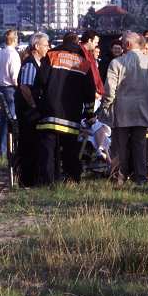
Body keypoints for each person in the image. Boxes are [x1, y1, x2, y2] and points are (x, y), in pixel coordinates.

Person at [34, 33, 98, 185]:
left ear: (63, 42)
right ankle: (73, 179)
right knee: (71, 150)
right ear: (77, 44)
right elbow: (90, 93)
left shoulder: (52, 56)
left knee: (48, 151)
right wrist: (89, 114)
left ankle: (48, 182)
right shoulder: (84, 63)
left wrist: (38, 105)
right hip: (71, 115)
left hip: (49, 113)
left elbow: (40, 82)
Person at [100, 31, 148, 185]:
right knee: (140, 146)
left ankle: (119, 176)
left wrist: (107, 106)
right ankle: (140, 177)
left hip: (122, 111)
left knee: (120, 146)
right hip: (143, 110)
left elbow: (109, 90)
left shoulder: (117, 63)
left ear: (127, 45)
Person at [15, 32, 50, 187]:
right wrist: (34, 105)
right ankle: (27, 179)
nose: (48, 48)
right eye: (46, 45)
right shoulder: (30, 63)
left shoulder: (39, 62)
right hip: (28, 113)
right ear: (37, 46)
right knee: (28, 144)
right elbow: (25, 87)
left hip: (31, 111)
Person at [0, 29, 22, 157]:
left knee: (3, 121)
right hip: (11, 89)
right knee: (11, 121)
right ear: (14, 40)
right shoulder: (13, 55)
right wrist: (20, 88)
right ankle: (5, 150)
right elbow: (15, 76)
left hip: (1, 88)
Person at [79, 30, 106, 99]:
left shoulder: (89, 54)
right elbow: (83, 77)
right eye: (96, 42)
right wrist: (93, 92)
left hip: (93, 92)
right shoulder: (80, 53)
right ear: (89, 40)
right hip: (87, 94)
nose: (97, 44)